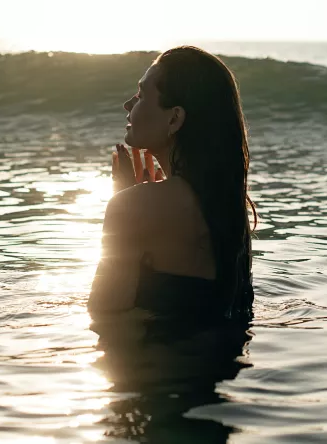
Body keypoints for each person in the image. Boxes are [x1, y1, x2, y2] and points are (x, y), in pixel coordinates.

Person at [88, 46, 257, 321]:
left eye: (142, 95)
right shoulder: (229, 206)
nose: (128, 105)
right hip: (228, 361)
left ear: (174, 118)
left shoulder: (137, 206)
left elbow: (102, 314)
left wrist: (127, 199)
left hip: (159, 362)